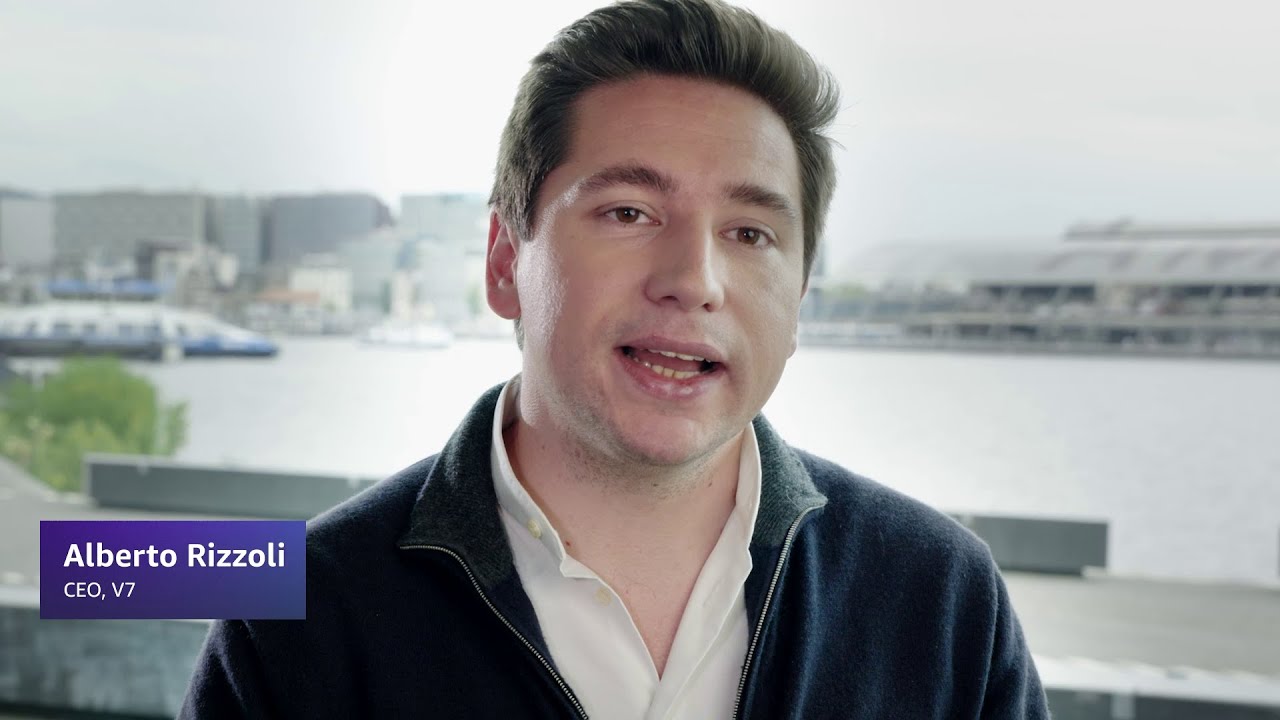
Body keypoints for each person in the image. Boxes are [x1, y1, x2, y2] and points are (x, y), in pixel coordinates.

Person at [181, 0, 1050, 717]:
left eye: (750, 233)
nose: (694, 281)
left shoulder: (938, 599)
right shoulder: (299, 622)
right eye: (630, 212)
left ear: (798, 298)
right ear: (502, 261)